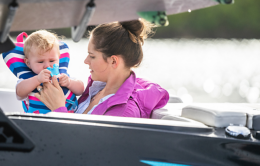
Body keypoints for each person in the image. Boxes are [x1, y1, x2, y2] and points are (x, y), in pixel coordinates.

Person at [34, 19, 169, 118]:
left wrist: (58, 108)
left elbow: (88, 152)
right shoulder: (96, 90)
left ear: (113, 61)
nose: (86, 61)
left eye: (92, 56)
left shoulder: (124, 113)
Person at [14, 30, 85, 113]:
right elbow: (19, 93)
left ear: (58, 58)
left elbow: (81, 90)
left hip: (66, 118)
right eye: (40, 62)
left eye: (52, 60)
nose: (47, 65)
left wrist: (69, 82)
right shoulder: (28, 80)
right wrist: (37, 79)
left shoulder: (62, 75)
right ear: (28, 63)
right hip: (38, 122)